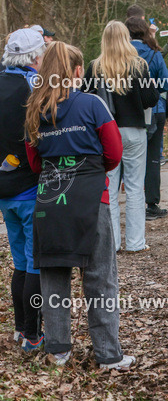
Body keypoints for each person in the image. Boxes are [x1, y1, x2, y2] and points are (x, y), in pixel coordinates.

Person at [25, 41, 135, 369]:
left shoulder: (34, 108)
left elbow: (33, 163)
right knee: (100, 277)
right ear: (76, 71)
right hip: (91, 200)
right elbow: (114, 153)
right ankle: (108, 355)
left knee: (54, 275)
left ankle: (58, 350)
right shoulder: (93, 104)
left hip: (50, 202)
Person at [85, 21, 159, 253]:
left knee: (110, 189)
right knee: (136, 188)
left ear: (104, 40)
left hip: (106, 134)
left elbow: (84, 99)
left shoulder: (96, 67)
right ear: (126, 39)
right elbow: (151, 99)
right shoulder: (139, 65)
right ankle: (136, 243)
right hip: (134, 131)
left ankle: (112, 243)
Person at [0, 29, 45, 352]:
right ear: (35, 58)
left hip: (3, 189)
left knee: (19, 262)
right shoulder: (34, 86)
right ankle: (33, 335)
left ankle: (19, 329)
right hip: (30, 187)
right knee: (33, 264)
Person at [125, 17, 168, 220]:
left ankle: (126, 204)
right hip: (154, 109)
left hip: (125, 112)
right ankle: (151, 204)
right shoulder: (154, 53)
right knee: (152, 158)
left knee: (127, 158)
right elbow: (165, 84)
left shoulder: (119, 56)